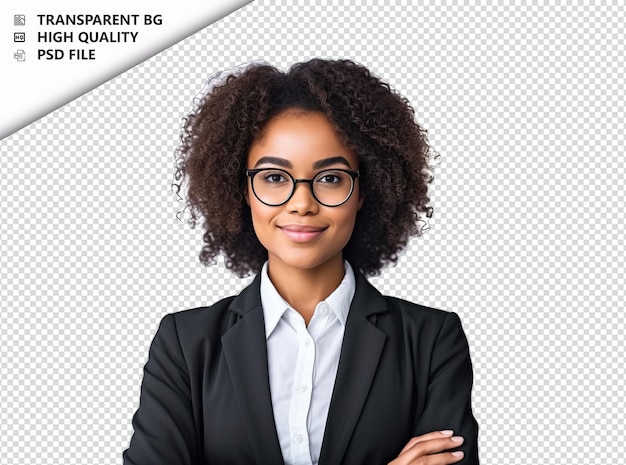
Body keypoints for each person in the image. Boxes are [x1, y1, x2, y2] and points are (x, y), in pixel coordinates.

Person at [123, 59, 479, 465]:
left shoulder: (431, 342)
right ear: (243, 190)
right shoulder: (185, 345)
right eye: (275, 177)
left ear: (366, 190)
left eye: (331, 178)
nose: (302, 204)